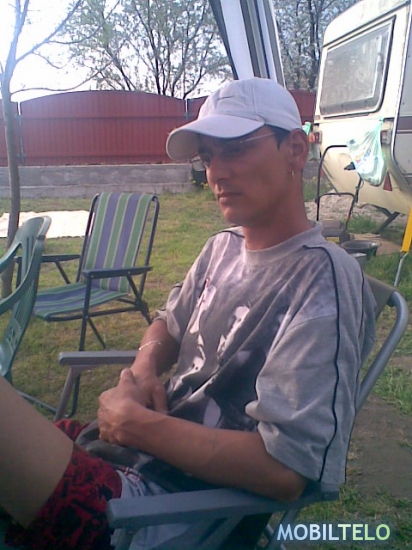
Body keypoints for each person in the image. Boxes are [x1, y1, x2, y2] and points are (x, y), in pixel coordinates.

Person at [0, 77, 376, 550]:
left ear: (296, 151)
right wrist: (142, 369)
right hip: (111, 455)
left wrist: (139, 426)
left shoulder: (322, 281)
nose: (216, 172)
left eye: (235, 149)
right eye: (208, 156)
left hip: (151, 512)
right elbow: (168, 322)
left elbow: (285, 471)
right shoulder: (222, 247)